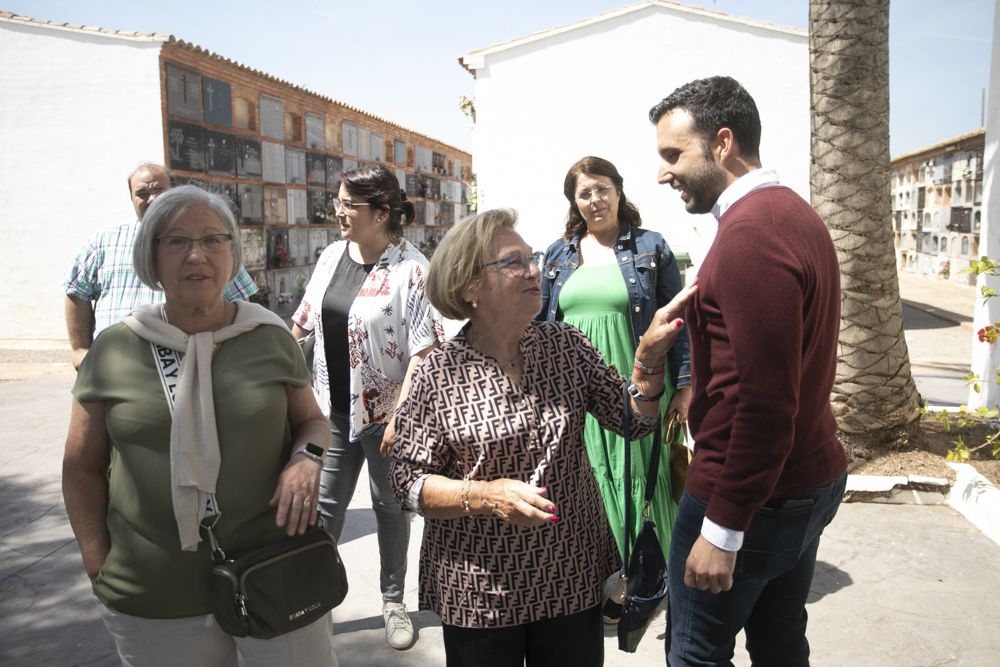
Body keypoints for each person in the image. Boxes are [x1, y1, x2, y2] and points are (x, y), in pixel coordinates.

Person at [389, 209, 696, 667]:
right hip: (481, 588)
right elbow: (406, 481)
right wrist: (485, 495)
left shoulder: (564, 345)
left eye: (531, 258)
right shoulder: (439, 371)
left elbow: (635, 422)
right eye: (514, 262)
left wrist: (648, 362)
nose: (534, 269)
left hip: (570, 573)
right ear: (470, 286)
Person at [62, 185, 338, 666]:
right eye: (176, 241)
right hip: (154, 590)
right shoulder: (114, 349)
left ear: (232, 253)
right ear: (151, 256)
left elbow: (312, 422)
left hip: (276, 572)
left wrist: (305, 460)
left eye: (213, 240)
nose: (197, 255)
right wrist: (96, 560)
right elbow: (81, 466)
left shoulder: (268, 335)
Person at [648, 76, 849, 665]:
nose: (663, 173)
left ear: (722, 144)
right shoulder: (789, 214)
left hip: (753, 495)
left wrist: (723, 528)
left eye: (672, 154)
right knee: (779, 637)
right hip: (798, 481)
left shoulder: (751, 237)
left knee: (694, 653)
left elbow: (762, 405)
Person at [291, 164, 441, 651]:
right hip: (330, 411)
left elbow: (424, 352)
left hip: (387, 420)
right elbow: (304, 323)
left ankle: (394, 601)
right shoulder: (333, 254)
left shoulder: (412, 269)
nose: (337, 210)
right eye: (337, 200)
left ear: (380, 213)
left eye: (347, 204)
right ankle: (313, 602)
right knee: (324, 509)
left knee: (390, 508)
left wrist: (400, 418)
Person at [538, 156, 691, 623]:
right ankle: (608, 575)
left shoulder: (650, 247)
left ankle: (642, 576)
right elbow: (544, 325)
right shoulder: (558, 253)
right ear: (574, 203)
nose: (594, 199)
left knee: (637, 483)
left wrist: (684, 386)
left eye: (601, 189)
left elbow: (680, 325)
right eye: (584, 194)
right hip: (577, 395)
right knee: (589, 482)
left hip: (637, 388)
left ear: (619, 191)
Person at [63, 163, 258, 370]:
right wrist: (79, 350)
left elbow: (238, 297)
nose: (152, 198)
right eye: (142, 193)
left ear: (173, 192)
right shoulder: (104, 241)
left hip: (188, 364)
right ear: (131, 198)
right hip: (113, 363)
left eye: (159, 191)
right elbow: (77, 291)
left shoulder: (210, 243)